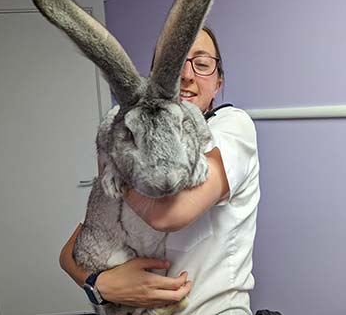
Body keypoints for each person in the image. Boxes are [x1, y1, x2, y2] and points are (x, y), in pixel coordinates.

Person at [60, 26, 260, 315]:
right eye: (173, 66)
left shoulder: (232, 127)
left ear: (218, 83)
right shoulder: (129, 132)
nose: (187, 75)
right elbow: (71, 253)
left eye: (202, 65)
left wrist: (116, 153)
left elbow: (168, 215)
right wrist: (99, 283)